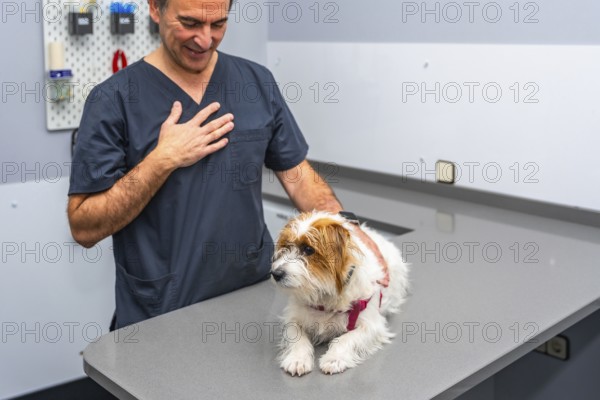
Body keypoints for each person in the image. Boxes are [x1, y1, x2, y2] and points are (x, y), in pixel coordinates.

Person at [67, 0, 387, 330]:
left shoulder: (256, 83)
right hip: (161, 311)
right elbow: (84, 226)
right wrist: (162, 160)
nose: (204, 40)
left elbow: (298, 176)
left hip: (251, 296)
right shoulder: (113, 100)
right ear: (155, 9)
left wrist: (348, 232)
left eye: (218, 24)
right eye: (189, 23)